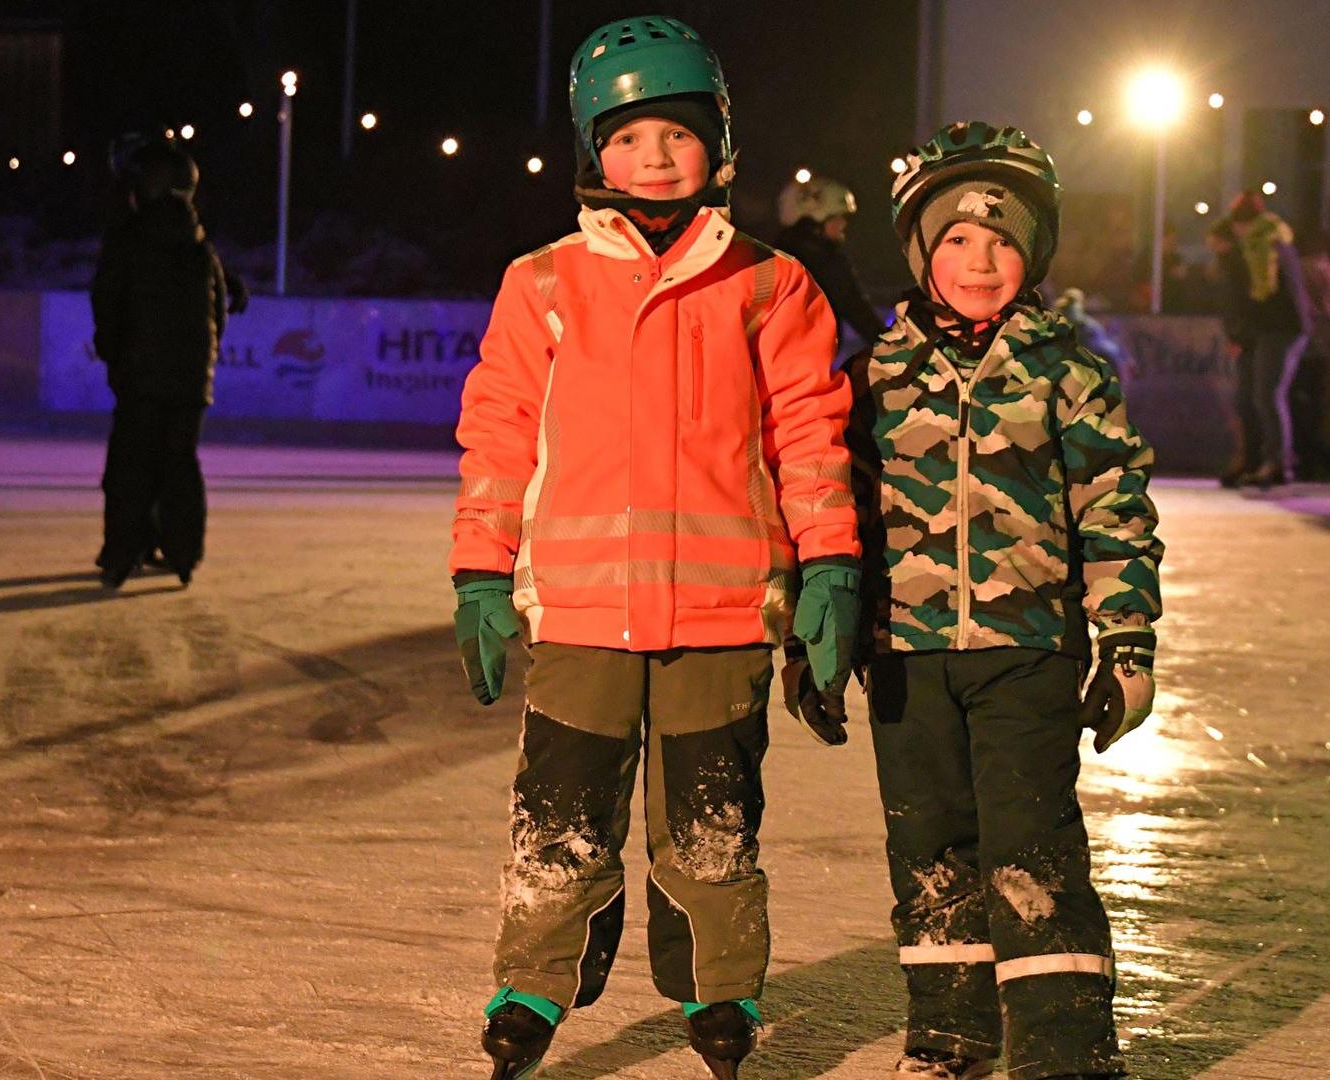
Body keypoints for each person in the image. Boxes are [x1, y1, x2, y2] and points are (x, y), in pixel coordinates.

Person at [449, 17, 859, 1080]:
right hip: (581, 613)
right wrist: (480, 572)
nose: (658, 158)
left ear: (719, 146)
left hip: (723, 618)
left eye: (679, 134)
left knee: (712, 822)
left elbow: (810, 436)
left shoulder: (771, 285)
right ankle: (532, 984)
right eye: (631, 138)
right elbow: (497, 439)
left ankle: (720, 989)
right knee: (561, 817)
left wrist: (830, 566)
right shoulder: (542, 283)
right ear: (595, 152)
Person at [833, 120, 1165, 1080]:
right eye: (958, 241)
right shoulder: (876, 379)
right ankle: (950, 1037)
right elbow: (840, 516)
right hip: (907, 653)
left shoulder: (1069, 372)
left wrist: (1128, 642)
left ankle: (1064, 1049)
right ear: (922, 252)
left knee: (1034, 846)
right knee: (930, 849)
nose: (981, 262)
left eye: (1004, 240)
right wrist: (820, 635)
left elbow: (1114, 509)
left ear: (1037, 253)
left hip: (1030, 648)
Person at [90, 139, 230, 590]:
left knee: (131, 463)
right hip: (189, 383)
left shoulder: (129, 239)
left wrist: (113, 354)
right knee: (179, 462)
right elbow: (219, 311)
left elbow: (107, 301)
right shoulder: (200, 246)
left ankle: (124, 552)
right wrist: (199, 362)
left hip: (140, 376)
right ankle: (182, 551)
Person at [1226, 193, 1313, 488]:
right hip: (1282, 327)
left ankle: (1278, 463)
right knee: (1267, 395)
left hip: (1280, 328)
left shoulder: (1261, 245)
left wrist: (1242, 331)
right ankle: (1274, 460)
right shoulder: (1275, 237)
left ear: (1242, 224)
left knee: (1268, 394)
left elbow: (1263, 292)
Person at [775, 174, 885, 349]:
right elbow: (861, 316)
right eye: (836, 217)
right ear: (813, 224)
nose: (843, 224)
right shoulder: (828, 265)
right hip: (808, 368)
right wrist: (896, 350)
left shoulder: (770, 259)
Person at [1206, 224, 1263, 486]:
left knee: (1246, 400)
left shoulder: (1233, 264)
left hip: (1247, 338)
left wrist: (1236, 335)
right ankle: (1251, 460)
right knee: (1248, 399)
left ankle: (1250, 460)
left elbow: (1236, 302)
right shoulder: (1242, 263)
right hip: (1248, 336)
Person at [1294, 233, 1330, 479]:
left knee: (1297, 398)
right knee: (1320, 401)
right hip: (1326, 337)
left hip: (1300, 336)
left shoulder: (1298, 267)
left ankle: (1299, 453)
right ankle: (1316, 457)